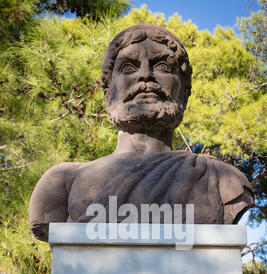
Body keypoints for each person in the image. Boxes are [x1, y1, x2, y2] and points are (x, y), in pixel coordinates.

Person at [29, 24, 254, 242]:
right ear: (108, 93)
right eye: (128, 68)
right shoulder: (62, 182)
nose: (145, 76)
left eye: (163, 67)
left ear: (185, 92)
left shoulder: (222, 179)